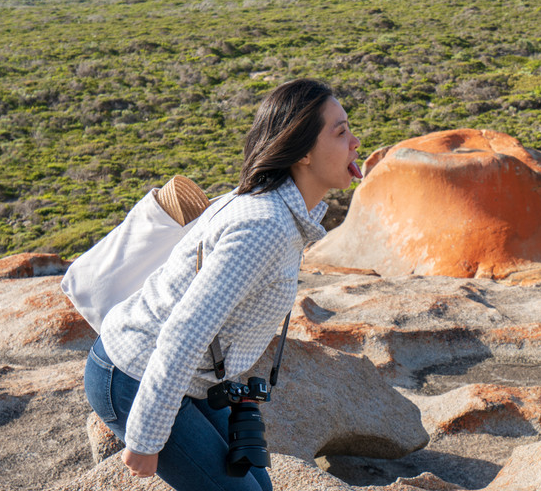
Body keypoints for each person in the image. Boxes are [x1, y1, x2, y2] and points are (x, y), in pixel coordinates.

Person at [83, 78, 361, 490]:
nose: (355, 142)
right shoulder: (264, 227)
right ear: (301, 151)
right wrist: (145, 438)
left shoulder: (277, 210)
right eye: (340, 132)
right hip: (132, 374)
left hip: (189, 380)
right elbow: (185, 332)